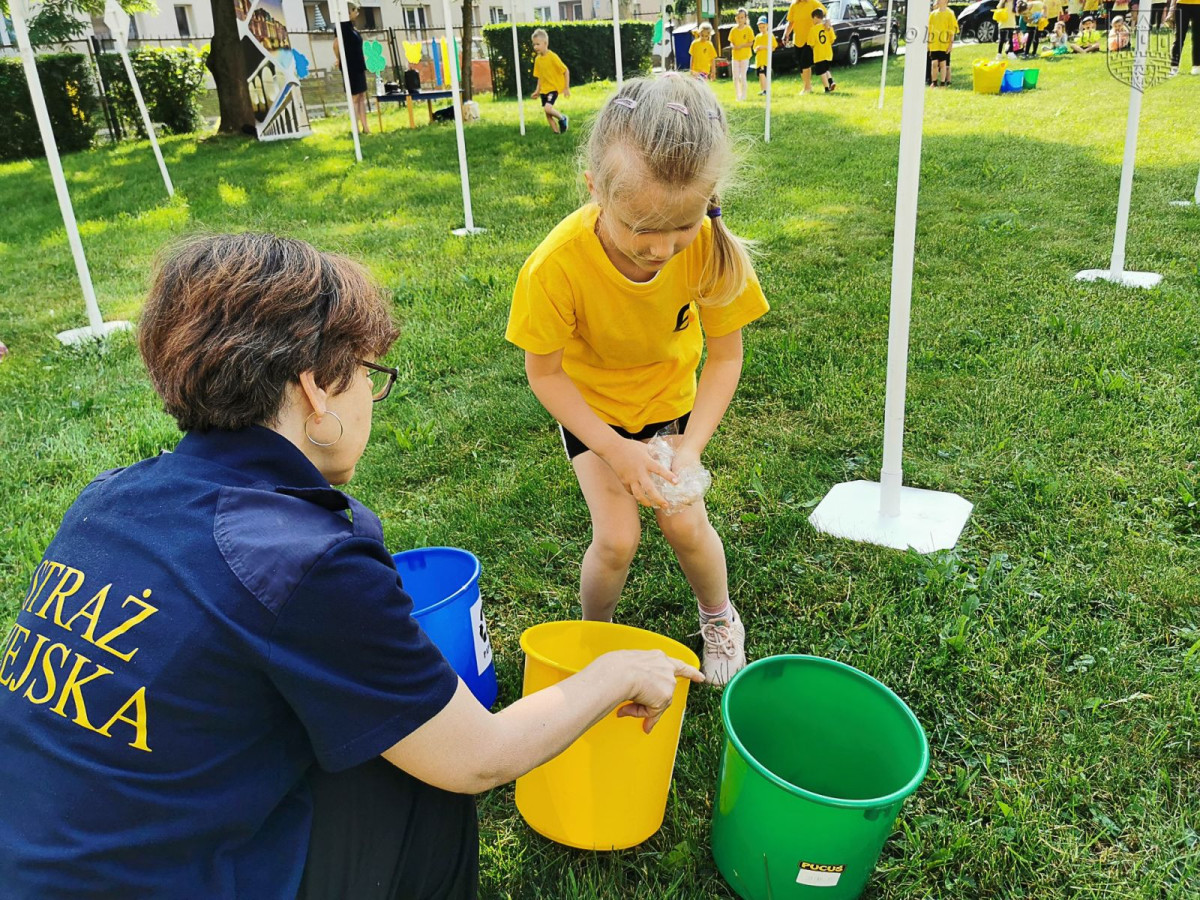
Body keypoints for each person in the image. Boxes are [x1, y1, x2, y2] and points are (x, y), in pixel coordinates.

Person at [0, 233, 703, 899]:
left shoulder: (105, 500)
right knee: (423, 778)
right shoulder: (302, 557)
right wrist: (617, 672)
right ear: (314, 391)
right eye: (369, 374)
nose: (373, 393)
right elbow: (477, 756)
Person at [505, 76, 769, 686]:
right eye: (641, 228)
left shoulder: (708, 248)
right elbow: (543, 375)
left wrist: (690, 446)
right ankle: (593, 638)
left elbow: (725, 359)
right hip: (594, 416)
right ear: (596, 188)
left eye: (681, 226)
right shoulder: (555, 266)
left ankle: (720, 617)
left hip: (669, 408)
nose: (661, 248)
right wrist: (615, 449)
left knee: (684, 522)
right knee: (617, 539)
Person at [333, 2, 369, 135]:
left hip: (359, 65)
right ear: (348, 12)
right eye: (355, 11)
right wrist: (339, 59)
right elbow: (336, 45)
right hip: (350, 66)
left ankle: (366, 127)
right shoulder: (341, 27)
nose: (357, 14)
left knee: (361, 96)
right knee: (354, 97)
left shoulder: (352, 27)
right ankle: (356, 128)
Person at [782, 0, 828, 94]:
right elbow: (791, 22)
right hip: (798, 39)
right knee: (801, 65)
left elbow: (825, 14)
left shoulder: (813, 3)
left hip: (810, 39)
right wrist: (786, 34)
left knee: (805, 62)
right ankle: (808, 86)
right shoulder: (794, 5)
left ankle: (807, 88)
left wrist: (827, 23)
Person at [531, 28, 570, 134]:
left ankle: (562, 118)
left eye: (538, 44)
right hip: (543, 90)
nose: (535, 47)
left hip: (553, 89)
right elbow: (540, 77)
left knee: (548, 108)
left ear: (545, 43)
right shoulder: (537, 60)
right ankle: (557, 133)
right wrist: (537, 91)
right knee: (548, 114)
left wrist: (566, 87)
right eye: (534, 44)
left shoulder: (552, 57)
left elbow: (565, 70)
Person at [929, 0, 959, 85]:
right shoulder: (932, 14)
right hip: (934, 44)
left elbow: (952, 30)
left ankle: (943, 82)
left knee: (943, 64)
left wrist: (950, 44)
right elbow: (929, 29)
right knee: (934, 63)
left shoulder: (949, 14)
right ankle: (934, 82)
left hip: (944, 44)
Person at [1166, 0, 1200, 75]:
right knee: (1179, 37)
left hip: (1198, 5)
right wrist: (1171, 11)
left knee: (1197, 38)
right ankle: (1174, 67)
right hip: (1182, 4)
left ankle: (1196, 66)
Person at [807, 8, 837, 92]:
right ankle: (831, 82)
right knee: (826, 69)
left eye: (812, 18)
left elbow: (811, 43)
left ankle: (826, 88)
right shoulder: (827, 27)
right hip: (828, 52)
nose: (812, 21)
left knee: (822, 72)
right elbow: (832, 39)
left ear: (815, 17)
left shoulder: (813, 29)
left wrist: (813, 48)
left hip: (819, 54)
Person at [729, 8, 756, 100]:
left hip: (745, 56)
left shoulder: (748, 29)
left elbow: (751, 42)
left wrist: (742, 46)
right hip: (735, 56)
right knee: (735, 77)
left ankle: (743, 95)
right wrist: (733, 46)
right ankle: (738, 95)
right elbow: (731, 42)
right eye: (738, 17)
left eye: (742, 17)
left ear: (745, 18)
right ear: (736, 18)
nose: (740, 19)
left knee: (742, 76)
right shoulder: (733, 30)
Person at [754, 15, 780, 94]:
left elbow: (774, 47)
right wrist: (757, 49)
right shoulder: (758, 37)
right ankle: (763, 89)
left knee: (763, 74)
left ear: (767, 25)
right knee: (760, 75)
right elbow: (754, 48)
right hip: (759, 60)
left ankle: (766, 90)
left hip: (766, 59)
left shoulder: (770, 35)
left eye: (763, 27)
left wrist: (764, 47)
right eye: (760, 27)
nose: (762, 29)